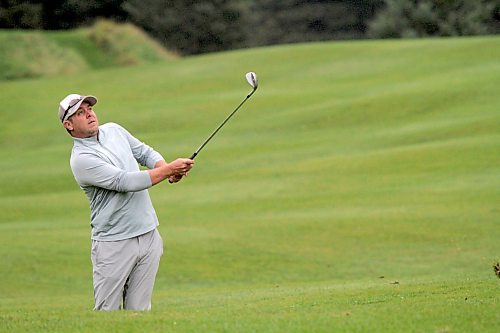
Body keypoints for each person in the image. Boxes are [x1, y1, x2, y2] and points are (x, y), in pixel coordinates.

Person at [58, 93, 194, 311]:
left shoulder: (114, 130)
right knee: (107, 314)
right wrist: (169, 170)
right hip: (114, 243)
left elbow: (143, 152)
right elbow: (125, 181)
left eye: (89, 109)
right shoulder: (81, 159)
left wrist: (165, 167)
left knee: (139, 312)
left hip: (148, 234)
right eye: (80, 113)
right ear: (69, 125)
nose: (89, 114)